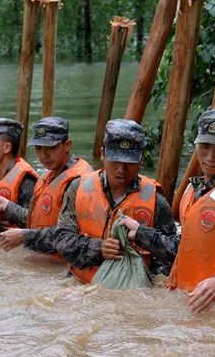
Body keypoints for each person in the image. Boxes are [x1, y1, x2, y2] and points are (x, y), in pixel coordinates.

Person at [120, 109, 215, 313]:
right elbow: (184, 248)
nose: (210, 157)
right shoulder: (193, 190)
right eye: (205, 147)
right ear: (196, 145)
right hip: (185, 299)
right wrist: (140, 233)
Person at [54, 119, 176, 283]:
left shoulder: (156, 200)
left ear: (140, 159)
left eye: (128, 163)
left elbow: (173, 253)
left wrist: (143, 235)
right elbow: (62, 241)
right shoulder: (77, 189)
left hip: (133, 291)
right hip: (81, 286)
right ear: (103, 154)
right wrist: (99, 248)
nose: (121, 170)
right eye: (115, 161)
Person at [0, 116, 92, 253]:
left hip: (61, 265)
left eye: (51, 147)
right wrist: (9, 208)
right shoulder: (48, 175)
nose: (43, 155)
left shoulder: (78, 181)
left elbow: (70, 235)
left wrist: (24, 236)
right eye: (39, 148)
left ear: (67, 145)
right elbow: (38, 219)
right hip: (43, 257)